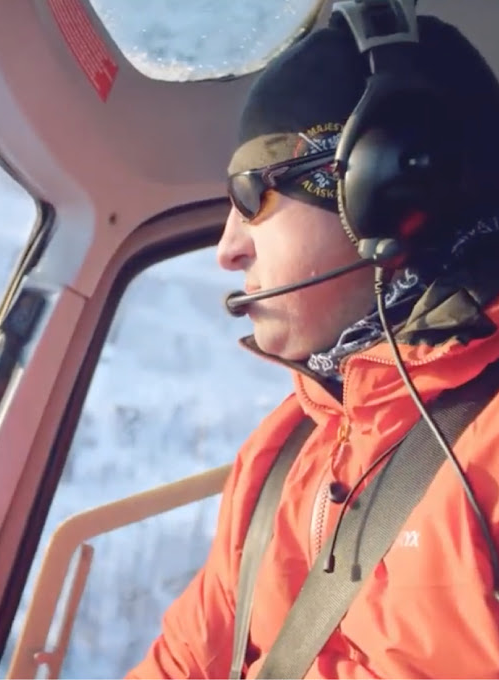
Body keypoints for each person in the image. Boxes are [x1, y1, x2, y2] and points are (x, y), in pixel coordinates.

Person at [127, 7, 499, 679]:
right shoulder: (285, 448)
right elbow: (185, 658)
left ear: (386, 187)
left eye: (250, 197)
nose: (228, 249)